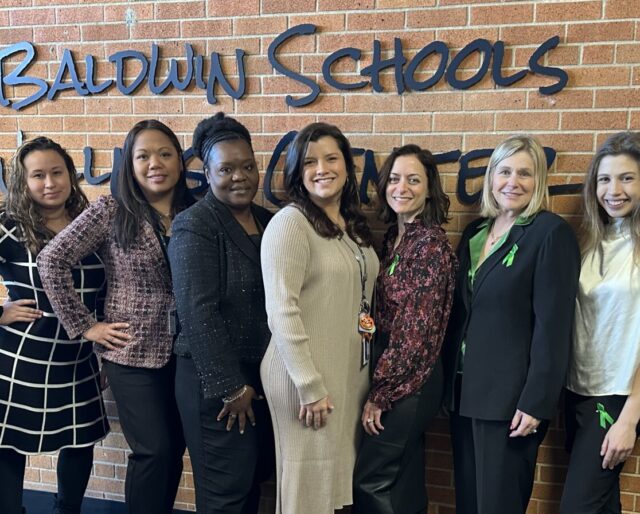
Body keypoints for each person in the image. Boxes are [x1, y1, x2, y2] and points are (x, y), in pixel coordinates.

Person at [37, 120, 192, 514]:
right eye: (143, 155)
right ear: (130, 164)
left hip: (188, 351)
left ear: (180, 161)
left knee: (174, 449)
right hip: (131, 352)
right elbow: (51, 260)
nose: (155, 163)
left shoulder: (197, 210)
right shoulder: (111, 209)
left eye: (165, 153)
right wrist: (86, 326)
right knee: (153, 451)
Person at [442, 135, 581, 514]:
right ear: (491, 177)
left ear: (539, 182)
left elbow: (554, 328)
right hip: (465, 392)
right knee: (469, 504)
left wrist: (536, 401)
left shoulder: (550, 234)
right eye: (504, 171)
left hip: (511, 403)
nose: (512, 181)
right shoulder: (475, 233)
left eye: (525, 173)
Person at [260, 122, 379, 514]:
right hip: (303, 376)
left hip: (345, 373)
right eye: (309, 162)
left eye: (331, 158)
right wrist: (310, 386)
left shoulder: (350, 225)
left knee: (333, 486)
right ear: (297, 172)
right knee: (306, 491)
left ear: (347, 167)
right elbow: (281, 311)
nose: (322, 168)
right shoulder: (290, 223)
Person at [169, 112, 274, 514]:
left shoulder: (267, 221)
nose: (240, 176)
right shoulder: (194, 225)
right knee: (224, 495)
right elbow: (197, 311)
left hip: (257, 376)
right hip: (214, 383)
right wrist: (230, 386)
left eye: (247, 166)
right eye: (226, 168)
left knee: (250, 482)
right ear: (207, 174)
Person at [0, 137, 108, 514]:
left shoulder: (92, 223)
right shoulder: (7, 226)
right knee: (9, 443)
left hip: (79, 357)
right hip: (20, 359)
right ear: (23, 181)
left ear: (70, 174)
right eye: (38, 175)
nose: (50, 183)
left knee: (80, 441)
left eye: (57, 172)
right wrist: (0, 312)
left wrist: (106, 352)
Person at [352, 144, 457, 514]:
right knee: (403, 477)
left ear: (429, 189)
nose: (402, 187)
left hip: (412, 381)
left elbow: (416, 333)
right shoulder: (394, 240)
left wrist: (382, 393)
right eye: (395, 179)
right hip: (397, 374)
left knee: (372, 479)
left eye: (414, 180)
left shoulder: (428, 246)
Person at [560, 132, 640, 514]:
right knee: (602, 505)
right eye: (605, 179)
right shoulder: (590, 240)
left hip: (618, 395)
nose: (614, 190)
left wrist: (630, 417)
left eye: (627, 178)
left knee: (578, 506)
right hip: (577, 389)